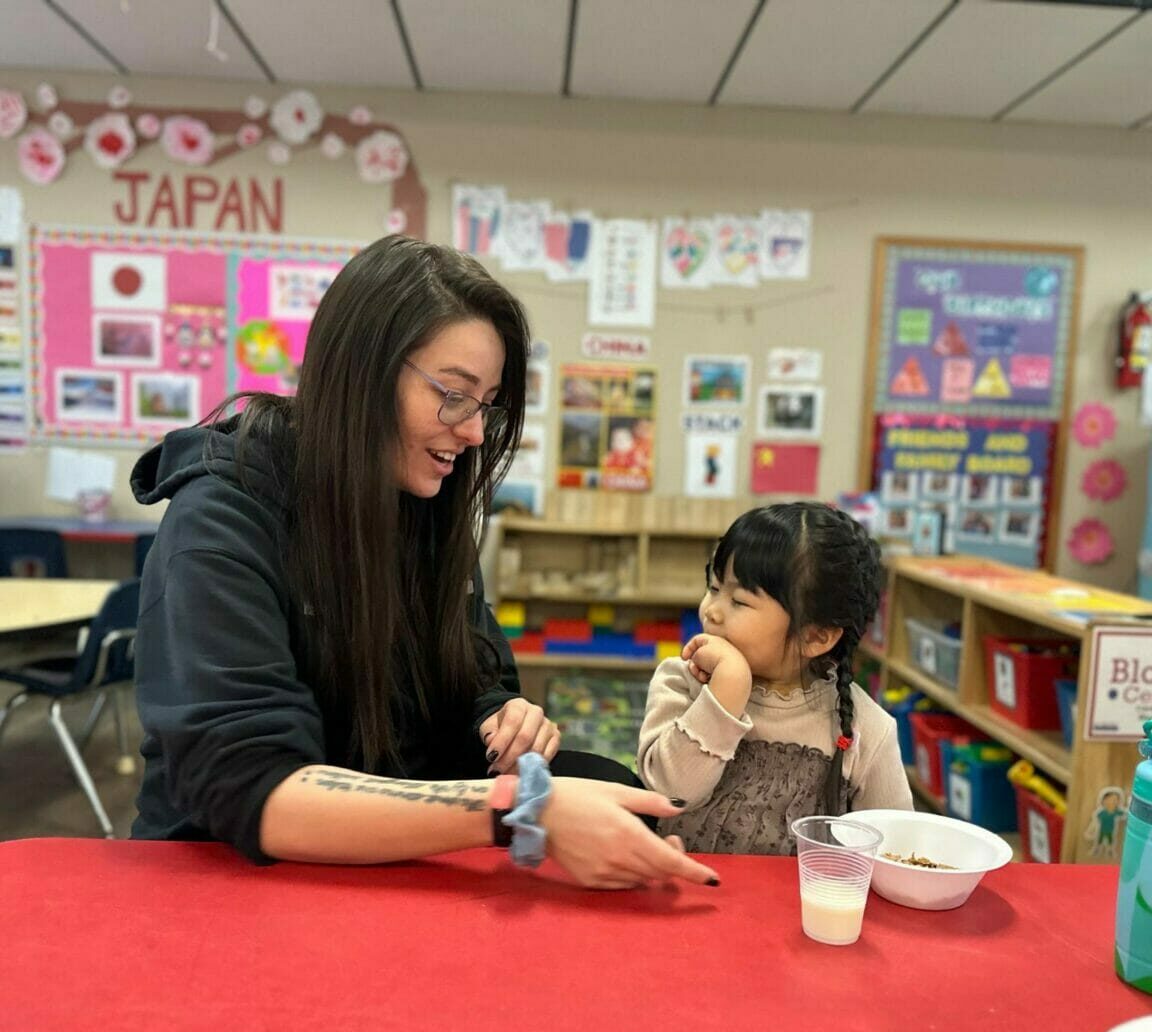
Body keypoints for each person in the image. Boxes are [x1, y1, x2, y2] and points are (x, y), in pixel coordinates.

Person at [131, 234, 718, 891]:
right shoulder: (223, 518)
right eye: (453, 394)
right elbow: (253, 785)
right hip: (231, 875)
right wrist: (516, 809)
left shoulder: (418, 501)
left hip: (378, 857)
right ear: (362, 372)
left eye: (486, 404)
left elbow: (465, 674)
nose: (472, 432)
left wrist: (500, 718)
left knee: (611, 790)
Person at [637, 502, 913, 855]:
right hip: (688, 896)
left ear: (816, 636)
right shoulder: (682, 680)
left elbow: (895, 849)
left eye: (739, 601)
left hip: (795, 907)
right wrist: (727, 689)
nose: (711, 609)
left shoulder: (864, 728)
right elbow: (670, 794)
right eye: (713, 587)